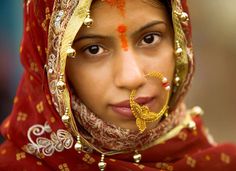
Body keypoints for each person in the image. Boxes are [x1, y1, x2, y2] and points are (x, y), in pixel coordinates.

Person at [0, 0, 236, 170]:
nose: (132, 78)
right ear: (51, 64)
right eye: (93, 49)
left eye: (149, 38)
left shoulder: (219, 163)